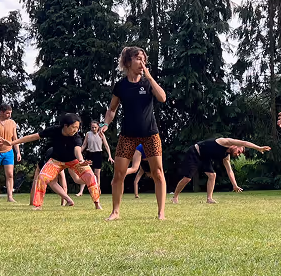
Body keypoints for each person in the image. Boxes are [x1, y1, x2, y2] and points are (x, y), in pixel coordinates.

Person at [102, 47, 168, 221]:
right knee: (119, 174)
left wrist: (150, 77)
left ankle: (161, 212)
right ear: (128, 61)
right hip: (128, 135)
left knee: (158, 173)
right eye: (138, 59)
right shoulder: (121, 86)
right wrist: (106, 124)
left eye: (144, 59)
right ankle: (115, 212)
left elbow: (162, 98)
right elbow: (112, 109)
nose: (142, 62)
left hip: (150, 134)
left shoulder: (148, 83)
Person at [14, 113, 101, 210]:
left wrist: (81, 160)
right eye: (73, 127)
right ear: (65, 126)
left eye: (77, 127)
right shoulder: (55, 130)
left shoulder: (76, 137)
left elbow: (77, 150)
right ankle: (38, 205)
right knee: (42, 177)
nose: (76, 130)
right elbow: (33, 136)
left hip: (74, 160)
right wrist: (12, 143)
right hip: (56, 161)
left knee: (91, 176)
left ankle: (97, 204)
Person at [172, 138, 272, 204]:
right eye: (239, 152)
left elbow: (229, 171)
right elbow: (244, 143)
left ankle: (209, 199)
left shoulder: (226, 156)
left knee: (212, 175)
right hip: (194, 152)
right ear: (235, 146)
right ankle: (175, 197)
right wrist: (258, 148)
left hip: (204, 158)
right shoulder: (224, 142)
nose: (238, 154)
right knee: (187, 178)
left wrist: (235, 185)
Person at [77, 120, 112, 197]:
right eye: (92, 127)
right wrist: (78, 154)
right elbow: (84, 145)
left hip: (98, 154)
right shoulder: (88, 134)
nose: (93, 129)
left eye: (95, 127)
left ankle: (97, 190)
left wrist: (110, 156)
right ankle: (81, 192)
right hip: (89, 154)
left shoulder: (101, 134)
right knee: (85, 173)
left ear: (98, 127)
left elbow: (106, 146)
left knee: (97, 174)